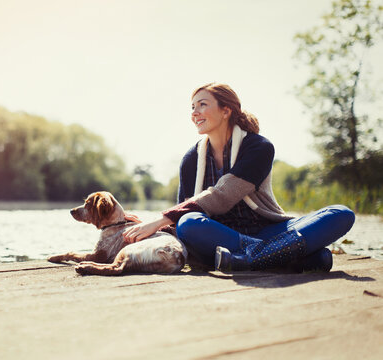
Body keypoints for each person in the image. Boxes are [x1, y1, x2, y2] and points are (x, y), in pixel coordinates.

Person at [122, 83, 355, 272]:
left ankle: (250, 258)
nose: (194, 113)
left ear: (226, 111)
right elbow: (185, 210)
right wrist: (148, 227)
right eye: (192, 107)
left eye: (202, 105)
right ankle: (284, 256)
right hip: (218, 236)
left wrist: (161, 218)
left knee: (340, 214)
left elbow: (223, 195)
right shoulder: (191, 159)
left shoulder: (259, 147)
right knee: (188, 224)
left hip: (265, 229)